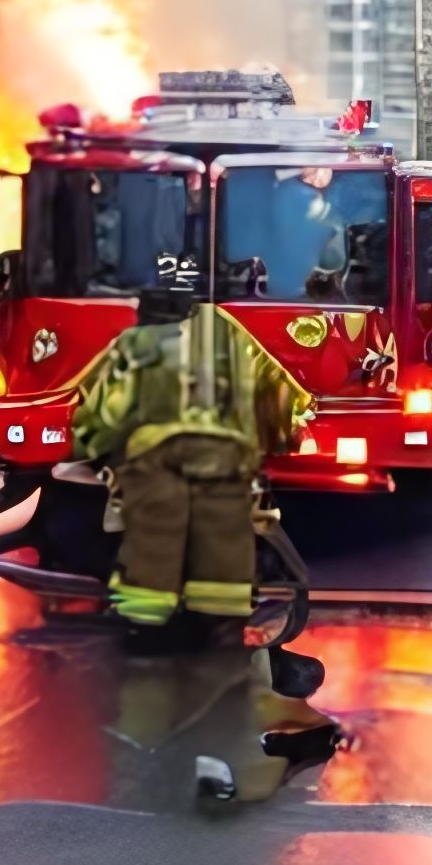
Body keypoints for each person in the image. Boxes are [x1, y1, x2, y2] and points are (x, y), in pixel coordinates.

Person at [72, 262, 311, 625]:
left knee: (153, 541)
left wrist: (87, 447)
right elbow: (278, 398)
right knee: (224, 537)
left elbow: (104, 414)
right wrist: (282, 438)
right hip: (227, 458)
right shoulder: (232, 334)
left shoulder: (135, 343)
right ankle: (221, 620)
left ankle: (145, 625)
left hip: (155, 460)